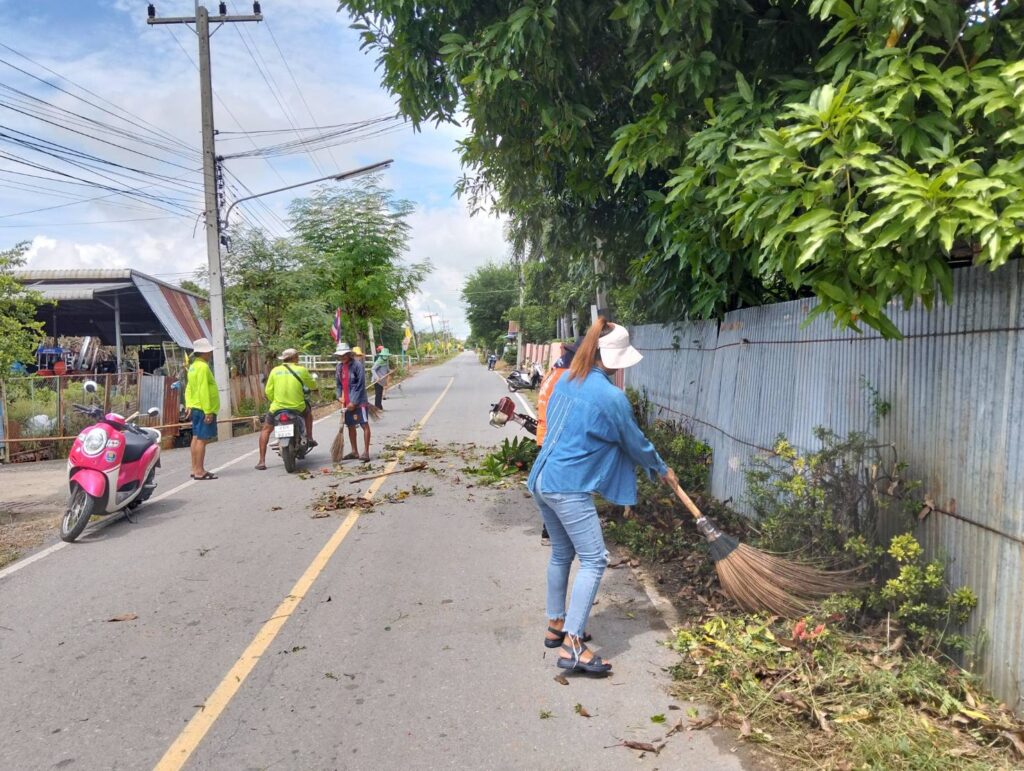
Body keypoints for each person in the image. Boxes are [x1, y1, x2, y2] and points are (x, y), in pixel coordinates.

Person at [527, 319, 679, 675]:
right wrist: (661, 468)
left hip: (541, 479)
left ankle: (556, 624)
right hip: (567, 486)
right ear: (607, 356)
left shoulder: (566, 379)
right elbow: (634, 441)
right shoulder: (611, 397)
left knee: (562, 553)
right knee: (595, 560)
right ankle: (573, 645)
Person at [255, 348, 317, 471]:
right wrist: (315, 388)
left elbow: (268, 391)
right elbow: (312, 385)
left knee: (266, 430)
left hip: (277, 408)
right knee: (308, 414)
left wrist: (276, 401)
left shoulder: (275, 371)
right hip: (297, 407)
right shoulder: (301, 370)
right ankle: (309, 438)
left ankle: (261, 461)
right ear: (295, 358)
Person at [184, 337, 219, 480]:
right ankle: (199, 470)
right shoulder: (203, 367)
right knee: (202, 440)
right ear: (204, 353)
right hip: (203, 407)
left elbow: (189, 388)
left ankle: (195, 468)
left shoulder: (193, 366)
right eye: (209, 351)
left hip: (195, 406)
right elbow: (203, 389)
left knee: (196, 437)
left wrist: (188, 404)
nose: (210, 354)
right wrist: (208, 411)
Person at [334, 342, 371, 461]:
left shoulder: (357, 366)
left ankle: (366, 452)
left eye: (344, 354)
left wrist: (354, 402)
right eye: (340, 355)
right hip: (346, 402)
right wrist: (339, 396)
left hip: (359, 401)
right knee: (350, 426)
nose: (343, 357)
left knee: (364, 424)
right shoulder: (339, 367)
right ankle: (354, 452)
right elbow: (338, 385)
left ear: (349, 354)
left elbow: (360, 385)